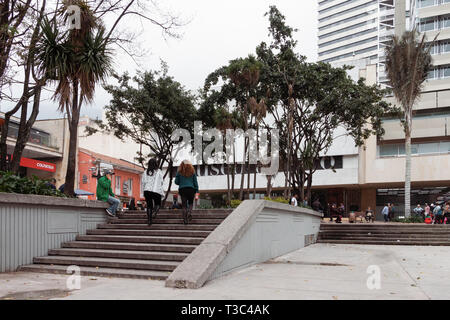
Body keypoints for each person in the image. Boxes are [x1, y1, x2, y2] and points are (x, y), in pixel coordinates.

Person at [175, 160, 199, 225]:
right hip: (191, 189)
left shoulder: (179, 172)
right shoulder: (192, 171)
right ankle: (190, 212)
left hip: (182, 189)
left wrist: (181, 180)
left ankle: (185, 220)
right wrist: (197, 191)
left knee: (184, 205)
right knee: (191, 203)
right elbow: (195, 182)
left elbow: (176, 182)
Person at [142, 158, 165, 226]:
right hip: (156, 190)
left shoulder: (145, 172)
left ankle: (149, 220)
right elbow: (161, 181)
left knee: (149, 206)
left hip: (147, 190)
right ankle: (154, 212)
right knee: (158, 204)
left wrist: (144, 190)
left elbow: (143, 182)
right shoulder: (159, 171)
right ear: (156, 164)